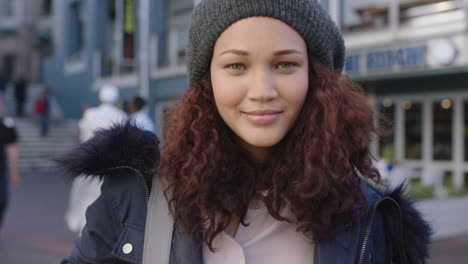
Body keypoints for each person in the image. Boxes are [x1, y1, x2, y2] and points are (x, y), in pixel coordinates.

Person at [57, 0, 432, 263]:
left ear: (317, 79)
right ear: (208, 82)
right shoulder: (135, 195)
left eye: (285, 64)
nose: (262, 91)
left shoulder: (372, 216)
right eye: (236, 66)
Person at [64, 84, 127, 235]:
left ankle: (83, 235)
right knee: (108, 202)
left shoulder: (90, 114)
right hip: (113, 167)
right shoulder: (122, 116)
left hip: (89, 163)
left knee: (85, 201)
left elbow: (82, 135)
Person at [0, 96, 21, 231]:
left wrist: (14, 172)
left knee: (2, 201)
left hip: (1, 171)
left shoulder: (6, 125)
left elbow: (12, 148)